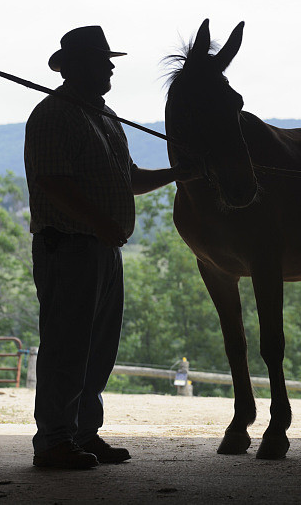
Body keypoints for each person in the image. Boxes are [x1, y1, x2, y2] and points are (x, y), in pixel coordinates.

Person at [25, 25, 195, 469]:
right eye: (102, 61)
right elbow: (51, 182)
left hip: (102, 247)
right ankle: (55, 442)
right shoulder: (53, 115)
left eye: (109, 61)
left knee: (97, 349)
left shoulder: (105, 117)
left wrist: (179, 173)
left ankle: (83, 434)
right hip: (69, 246)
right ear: (75, 67)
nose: (111, 68)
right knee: (67, 347)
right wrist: (101, 222)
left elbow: (129, 178)